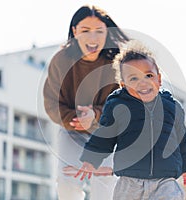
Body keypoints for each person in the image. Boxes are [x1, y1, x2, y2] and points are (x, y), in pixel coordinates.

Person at [75, 41, 186, 200]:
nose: (143, 82)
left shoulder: (172, 107)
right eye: (133, 78)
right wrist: (91, 159)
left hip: (165, 181)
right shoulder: (118, 106)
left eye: (149, 75)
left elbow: (182, 141)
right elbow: (105, 135)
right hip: (130, 182)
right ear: (123, 84)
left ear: (159, 79)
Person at [43, 5, 129, 200]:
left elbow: (122, 104)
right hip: (71, 131)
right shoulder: (61, 60)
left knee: (105, 184)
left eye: (99, 31)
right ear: (75, 31)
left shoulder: (116, 62)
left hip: (105, 133)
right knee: (67, 184)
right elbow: (51, 102)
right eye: (85, 31)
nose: (93, 38)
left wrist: (95, 115)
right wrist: (75, 119)